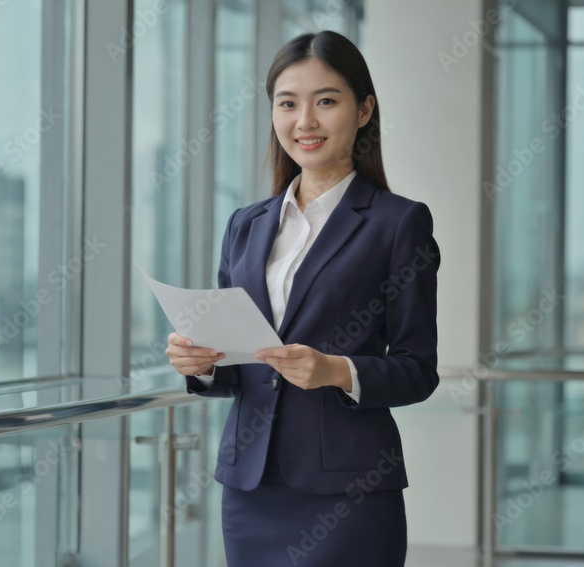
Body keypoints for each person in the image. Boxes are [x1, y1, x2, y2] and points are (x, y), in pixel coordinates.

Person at [166, 30, 439, 567]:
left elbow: (418, 370)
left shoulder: (398, 223)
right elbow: (240, 365)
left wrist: (336, 370)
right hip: (251, 488)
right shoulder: (245, 225)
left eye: (326, 102)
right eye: (287, 104)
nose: (305, 121)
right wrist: (201, 364)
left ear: (364, 111)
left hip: (348, 492)